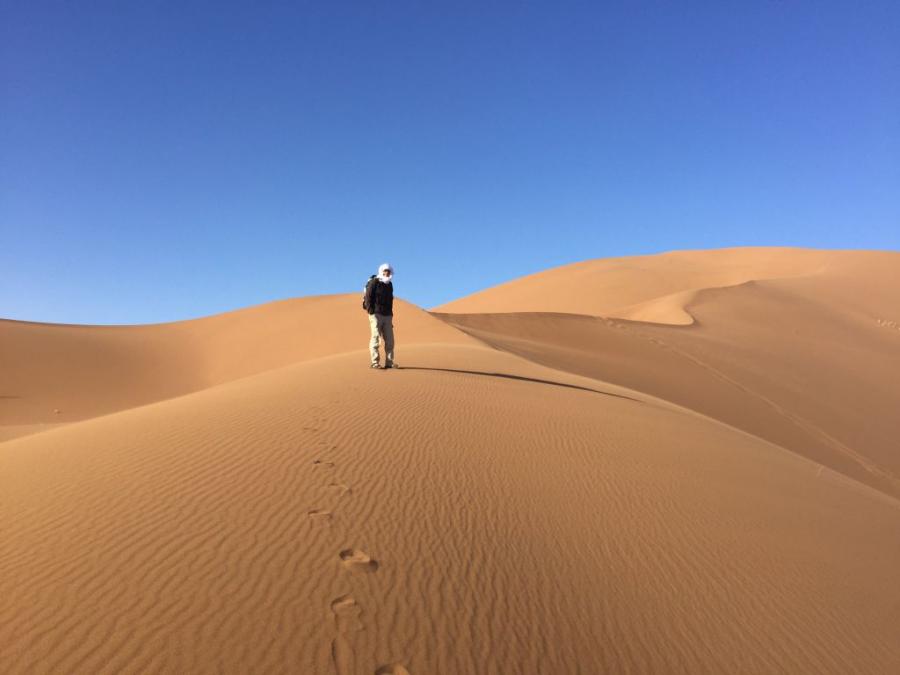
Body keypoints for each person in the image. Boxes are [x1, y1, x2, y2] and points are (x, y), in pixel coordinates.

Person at [365, 263, 395, 369]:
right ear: (381, 271)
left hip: (387, 315)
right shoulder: (375, 282)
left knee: (390, 340)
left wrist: (391, 315)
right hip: (376, 314)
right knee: (376, 338)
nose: (387, 273)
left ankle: (389, 363)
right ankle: (375, 362)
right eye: (385, 271)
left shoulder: (389, 284)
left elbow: (390, 300)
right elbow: (368, 297)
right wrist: (371, 312)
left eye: (388, 271)